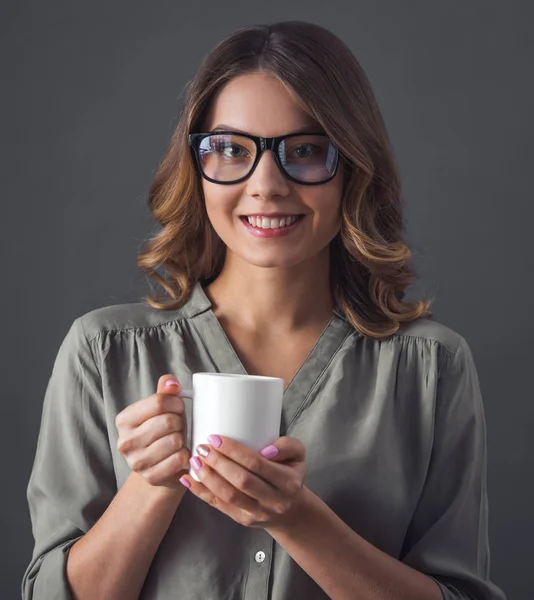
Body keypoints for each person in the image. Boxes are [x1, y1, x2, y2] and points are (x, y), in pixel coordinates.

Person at [22, 20, 506, 600]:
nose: (267, 185)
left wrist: (296, 519)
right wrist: (150, 487)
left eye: (304, 151)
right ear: (196, 166)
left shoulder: (433, 367)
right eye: (231, 149)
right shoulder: (102, 353)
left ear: (353, 167)